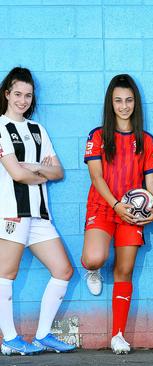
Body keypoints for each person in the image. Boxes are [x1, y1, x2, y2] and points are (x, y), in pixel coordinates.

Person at [81, 74, 153, 354]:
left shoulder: (147, 140)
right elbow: (96, 177)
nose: (124, 106)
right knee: (94, 258)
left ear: (135, 103)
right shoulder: (98, 135)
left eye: (129, 100)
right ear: (110, 103)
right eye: (118, 100)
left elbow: (151, 180)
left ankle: (117, 334)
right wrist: (116, 205)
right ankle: (93, 271)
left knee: (124, 270)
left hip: (132, 210)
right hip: (104, 206)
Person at [0, 67, 76, 355]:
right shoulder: (0, 127)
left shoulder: (37, 130)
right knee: (6, 273)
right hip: (12, 212)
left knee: (63, 269)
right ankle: (9, 338)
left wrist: (36, 168)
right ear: (7, 94)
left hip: (40, 214)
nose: (22, 100)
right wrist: (37, 171)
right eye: (17, 94)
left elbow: (57, 171)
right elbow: (16, 175)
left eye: (28, 95)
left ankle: (43, 335)